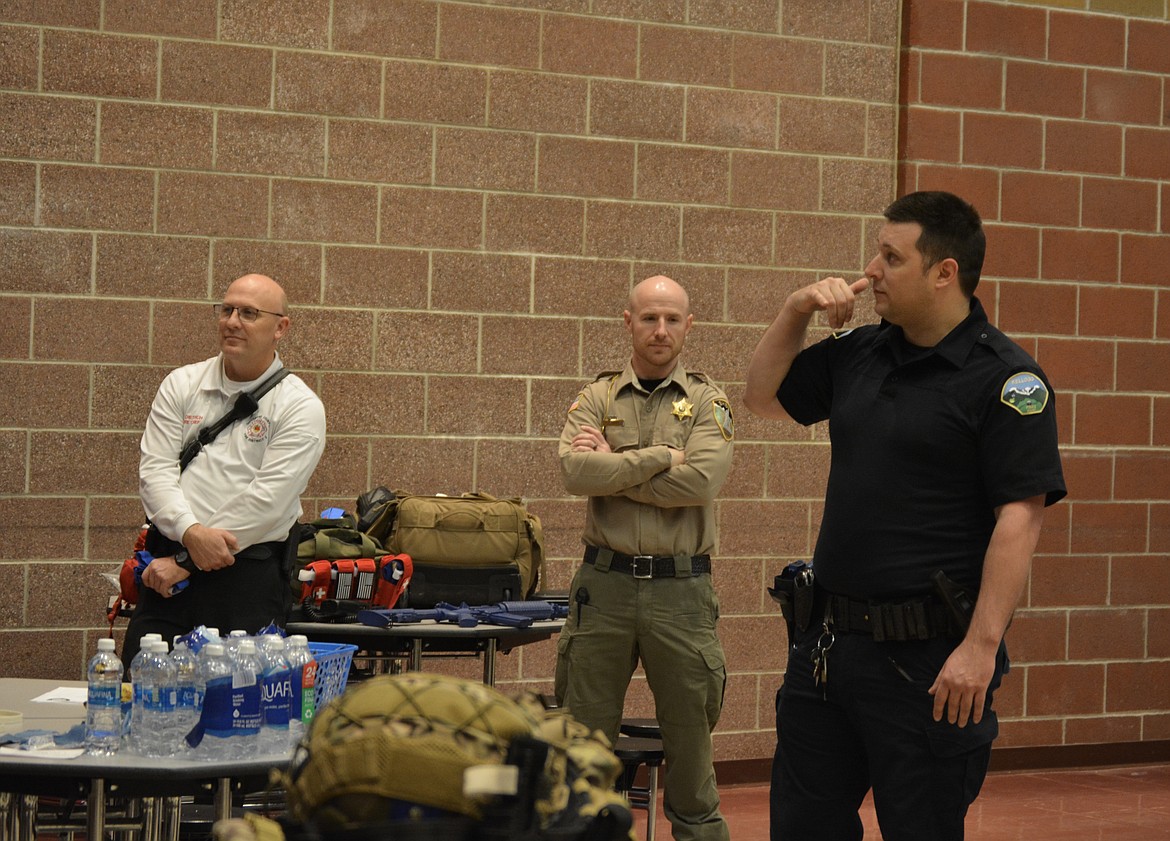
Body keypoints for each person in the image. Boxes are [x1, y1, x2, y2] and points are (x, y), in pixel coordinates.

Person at [743, 191, 1066, 841]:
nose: (872, 269)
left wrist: (979, 646)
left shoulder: (1005, 379)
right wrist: (794, 310)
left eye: (892, 256)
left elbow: (1020, 519)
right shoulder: (862, 351)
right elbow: (760, 397)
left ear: (944, 271)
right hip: (828, 649)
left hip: (928, 660)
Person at [556, 275, 734, 841]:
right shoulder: (597, 396)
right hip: (602, 589)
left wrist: (616, 468)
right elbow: (574, 472)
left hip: (681, 593)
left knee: (691, 754)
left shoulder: (709, 400)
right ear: (628, 321)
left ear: (689, 326)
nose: (661, 330)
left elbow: (701, 482)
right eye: (649, 318)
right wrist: (660, 456)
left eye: (672, 319)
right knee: (583, 749)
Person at [123, 274, 326, 663]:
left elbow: (267, 500)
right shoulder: (181, 384)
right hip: (166, 572)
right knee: (145, 692)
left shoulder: (300, 406)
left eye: (249, 313)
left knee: (238, 709)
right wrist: (189, 533)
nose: (232, 321)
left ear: (280, 327)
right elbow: (156, 472)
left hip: (245, 579)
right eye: (227, 309)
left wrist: (188, 560)